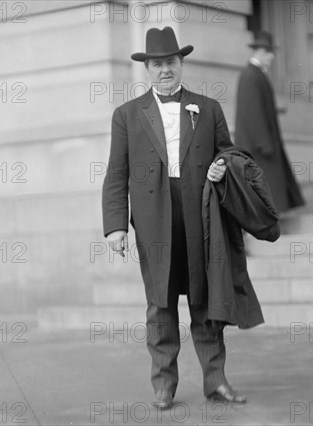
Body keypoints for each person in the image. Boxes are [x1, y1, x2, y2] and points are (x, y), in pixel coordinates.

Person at [102, 26, 246, 409]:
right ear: (147, 69)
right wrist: (116, 226)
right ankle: (163, 386)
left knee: (205, 300)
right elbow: (116, 173)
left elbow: (229, 154)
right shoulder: (127, 115)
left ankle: (216, 382)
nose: (165, 70)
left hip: (201, 213)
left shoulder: (208, 107)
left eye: (171, 62)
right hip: (153, 220)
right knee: (161, 303)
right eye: (157, 64)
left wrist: (220, 167)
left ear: (181, 64)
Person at [235, 30, 305, 212]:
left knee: (270, 186)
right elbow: (252, 112)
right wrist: (263, 141)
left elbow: (257, 106)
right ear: (258, 52)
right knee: (265, 187)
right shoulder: (251, 75)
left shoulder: (256, 74)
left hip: (261, 142)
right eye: (268, 52)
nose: (272, 56)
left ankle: (272, 220)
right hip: (258, 145)